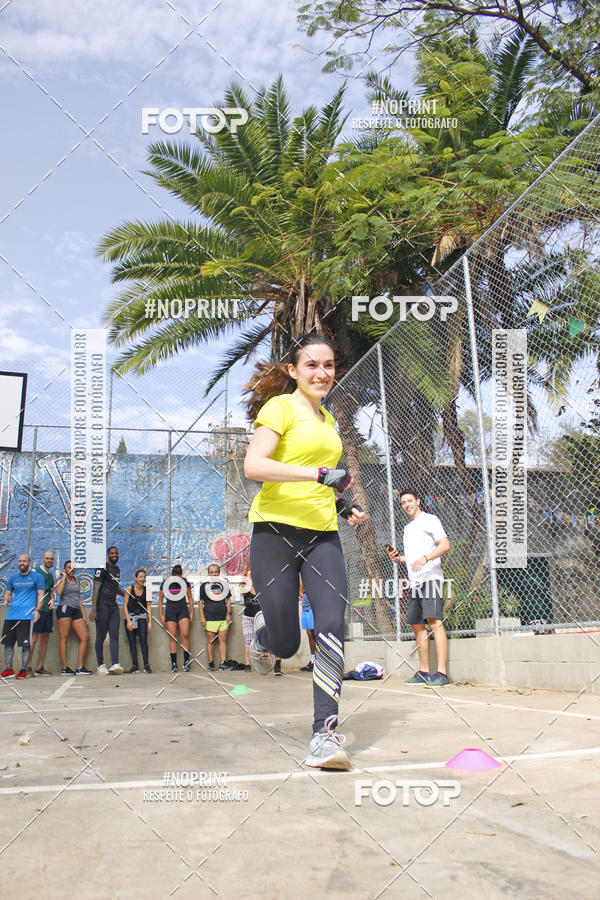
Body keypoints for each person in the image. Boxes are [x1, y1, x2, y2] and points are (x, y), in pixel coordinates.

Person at [243, 332, 364, 770]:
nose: (322, 373)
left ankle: (324, 737)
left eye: (329, 365)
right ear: (293, 370)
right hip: (274, 533)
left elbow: (323, 482)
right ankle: (262, 633)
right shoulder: (280, 408)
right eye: (312, 365)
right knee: (287, 642)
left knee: (331, 624)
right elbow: (254, 465)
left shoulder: (329, 420)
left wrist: (342, 503)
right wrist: (317, 474)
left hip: (321, 536)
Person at [386, 488, 451, 687]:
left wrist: (426, 558)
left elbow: (445, 545)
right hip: (415, 582)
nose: (407, 504)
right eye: (404, 502)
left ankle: (441, 673)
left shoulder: (431, 520)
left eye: (410, 500)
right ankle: (424, 671)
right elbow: (414, 558)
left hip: (432, 578)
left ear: (418, 501)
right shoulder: (407, 528)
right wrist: (400, 559)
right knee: (417, 625)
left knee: (434, 622)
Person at [1, 554, 45, 679]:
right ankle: (9, 670)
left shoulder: (37, 577)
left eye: (24, 561)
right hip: (11, 615)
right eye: (20, 561)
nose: (22, 563)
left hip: (26, 616)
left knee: (25, 644)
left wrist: (37, 610)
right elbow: (8, 592)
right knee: (8, 643)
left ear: (29, 563)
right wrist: (6, 599)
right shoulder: (13, 578)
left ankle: (23, 670)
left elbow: (41, 595)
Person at [90, 546, 125, 675]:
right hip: (102, 606)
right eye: (112, 553)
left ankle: (115, 663)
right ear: (107, 555)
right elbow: (96, 589)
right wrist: (94, 609)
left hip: (113, 606)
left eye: (116, 553)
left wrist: (126, 594)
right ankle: (100, 665)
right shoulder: (101, 568)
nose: (114, 555)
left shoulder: (117, 570)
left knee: (114, 634)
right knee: (101, 635)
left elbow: (115, 588)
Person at [55, 560, 92, 675]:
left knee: (85, 637)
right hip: (65, 608)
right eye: (68, 568)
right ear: (65, 569)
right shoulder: (61, 580)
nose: (71, 569)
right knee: (64, 637)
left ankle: (80, 667)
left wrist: (83, 614)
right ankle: (64, 668)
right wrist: (64, 577)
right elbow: (59, 592)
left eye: (72, 568)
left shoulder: (77, 579)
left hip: (76, 610)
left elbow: (79, 597)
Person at [159, 564, 193, 672]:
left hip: (182, 610)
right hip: (170, 611)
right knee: (172, 637)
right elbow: (160, 599)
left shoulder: (185, 582)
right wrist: (161, 615)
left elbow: (190, 598)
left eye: (180, 577)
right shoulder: (166, 582)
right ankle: (174, 663)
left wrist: (191, 613)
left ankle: (186, 662)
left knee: (185, 634)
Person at [198, 563, 232, 671]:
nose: (214, 574)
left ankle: (223, 663)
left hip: (222, 617)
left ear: (219, 572)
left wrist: (228, 614)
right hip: (209, 617)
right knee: (211, 640)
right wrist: (202, 617)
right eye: (211, 572)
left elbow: (228, 600)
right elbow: (200, 602)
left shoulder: (224, 585)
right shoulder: (204, 586)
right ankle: (211, 662)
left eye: (216, 572)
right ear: (208, 573)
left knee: (222, 639)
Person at [30, 549, 56, 675]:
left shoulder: (50, 576)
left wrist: (52, 598)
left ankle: (39, 667)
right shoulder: (36, 572)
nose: (49, 560)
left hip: (48, 611)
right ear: (42, 558)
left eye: (51, 559)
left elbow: (51, 591)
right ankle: (27, 666)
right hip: (37, 610)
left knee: (45, 638)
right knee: (33, 638)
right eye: (47, 558)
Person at [124, 568, 152, 674]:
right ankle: (135, 666)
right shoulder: (129, 589)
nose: (142, 579)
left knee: (143, 641)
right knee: (132, 642)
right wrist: (128, 621)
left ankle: (146, 665)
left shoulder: (147, 591)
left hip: (142, 618)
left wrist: (150, 622)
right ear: (136, 578)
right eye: (140, 577)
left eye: (144, 577)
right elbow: (125, 606)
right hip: (131, 617)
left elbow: (148, 606)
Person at [241, 568, 260, 671]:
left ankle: (260, 663)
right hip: (248, 617)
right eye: (249, 575)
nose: (251, 576)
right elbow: (244, 591)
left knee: (260, 640)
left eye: (252, 574)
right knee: (248, 640)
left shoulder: (261, 586)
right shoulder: (245, 587)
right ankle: (247, 664)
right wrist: (249, 581)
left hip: (260, 617)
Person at [299, 577, 316, 672]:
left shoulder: (307, 572)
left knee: (313, 632)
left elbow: (305, 588)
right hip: (304, 605)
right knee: (309, 633)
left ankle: (318, 660)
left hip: (311, 605)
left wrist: (300, 589)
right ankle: (312, 659)